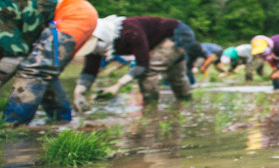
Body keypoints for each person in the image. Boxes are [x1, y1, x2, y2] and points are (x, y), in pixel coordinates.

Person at [1, 0, 98, 125]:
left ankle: (11, 126)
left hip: (74, 13)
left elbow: (13, 57)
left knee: (36, 71)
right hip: (72, 14)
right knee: (45, 73)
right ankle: (61, 122)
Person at [75, 15, 206, 107]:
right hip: (156, 42)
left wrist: (116, 86)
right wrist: (78, 92)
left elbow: (142, 64)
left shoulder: (130, 31)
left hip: (177, 34)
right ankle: (186, 105)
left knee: (150, 71)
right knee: (176, 75)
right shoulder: (98, 47)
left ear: (102, 37)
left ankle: (150, 110)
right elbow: (89, 70)